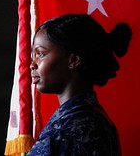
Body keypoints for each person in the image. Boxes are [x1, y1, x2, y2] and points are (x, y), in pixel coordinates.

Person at [28, 14, 132, 156]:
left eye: (40, 54)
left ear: (73, 60)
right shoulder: (89, 119)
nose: (32, 65)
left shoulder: (73, 128)